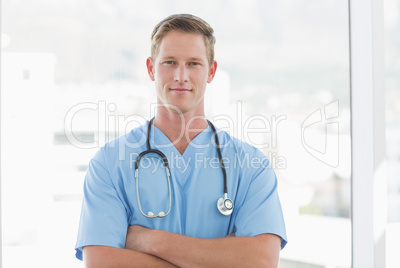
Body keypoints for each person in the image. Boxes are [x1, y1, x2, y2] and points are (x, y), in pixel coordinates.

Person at [75, 13, 287, 267]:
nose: (181, 75)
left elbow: (261, 261)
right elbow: (101, 263)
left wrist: (150, 241)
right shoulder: (109, 164)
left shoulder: (252, 166)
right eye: (170, 62)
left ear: (211, 71)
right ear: (151, 68)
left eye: (194, 63)